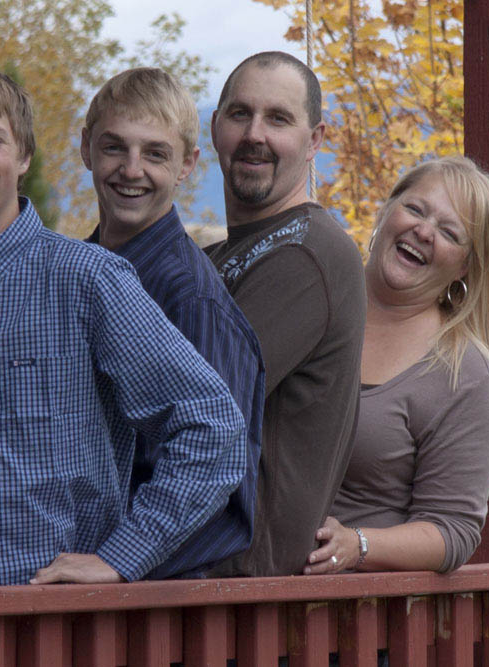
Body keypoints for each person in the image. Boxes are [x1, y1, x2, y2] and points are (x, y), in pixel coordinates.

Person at [0, 60, 247, 589]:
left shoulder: (91, 281)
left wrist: (120, 558)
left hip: (55, 628)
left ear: (23, 156)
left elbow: (213, 430)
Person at [81, 67, 264, 578]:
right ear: (85, 149)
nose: (131, 169)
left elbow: (218, 471)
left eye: (155, 153)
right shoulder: (78, 271)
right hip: (75, 575)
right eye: (114, 147)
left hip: (153, 595)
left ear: (187, 164)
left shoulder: (190, 297)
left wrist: (116, 562)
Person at [303, 155, 489, 575]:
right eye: (415, 209)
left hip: (358, 621)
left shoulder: (463, 374)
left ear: (465, 265)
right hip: (244, 596)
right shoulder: (309, 303)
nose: (424, 231)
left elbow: (453, 531)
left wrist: (356, 543)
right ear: (387, 210)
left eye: (450, 232)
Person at [206, 52, 366, 577]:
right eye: (239, 114)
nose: (255, 134)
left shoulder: (308, 253)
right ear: (215, 126)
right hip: (198, 592)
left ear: (314, 139)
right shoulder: (217, 258)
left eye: (278, 118)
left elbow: (194, 405)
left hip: (247, 607)